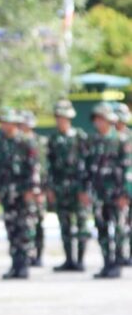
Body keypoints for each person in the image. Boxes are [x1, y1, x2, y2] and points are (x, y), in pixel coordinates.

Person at [0, 108, 38, 280]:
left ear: (14, 123)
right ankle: (15, 264)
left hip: (22, 193)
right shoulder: (1, 143)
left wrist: (32, 190)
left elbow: (33, 167)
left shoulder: (26, 141)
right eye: (2, 122)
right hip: (6, 193)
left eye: (6, 122)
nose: (3, 125)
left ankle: (24, 265)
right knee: (11, 228)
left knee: (24, 228)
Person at [83, 102, 130, 279]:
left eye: (101, 119)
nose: (99, 122)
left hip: (116, 193)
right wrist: (85, 190)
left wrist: (125, 194)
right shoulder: (92, 141)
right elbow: (86, 167)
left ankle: (117, 263)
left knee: (118, 229)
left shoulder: (121, 140)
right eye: (96, 119)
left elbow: (128, 169)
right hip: (98, 193)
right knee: (101, 227)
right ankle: (107, 263)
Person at [46, 99, 89, 272]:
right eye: (58, 117)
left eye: (63, 117)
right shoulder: (53, 139)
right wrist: (50, 188)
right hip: (60, 188)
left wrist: (85, 189)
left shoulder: (79, 137)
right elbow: (49, 166)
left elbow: (87, 164)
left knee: (81, 224)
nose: (60, 120)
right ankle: (69, 259)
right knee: (64, 225)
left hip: (77, 188)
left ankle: (80, 260)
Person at [19, 110, 47, 267]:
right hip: (25, 190)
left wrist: (42, 190)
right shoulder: (19, 142)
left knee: (38, 223)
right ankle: (28, 253)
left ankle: (38, 254)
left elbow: (44, 168)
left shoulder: (39, 142)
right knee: (25, 223)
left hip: (38, 190)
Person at [113, 102, 132, 265]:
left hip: (129, 187)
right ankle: (119, 255)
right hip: (117, 188)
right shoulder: (111, 139)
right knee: (119, 223)